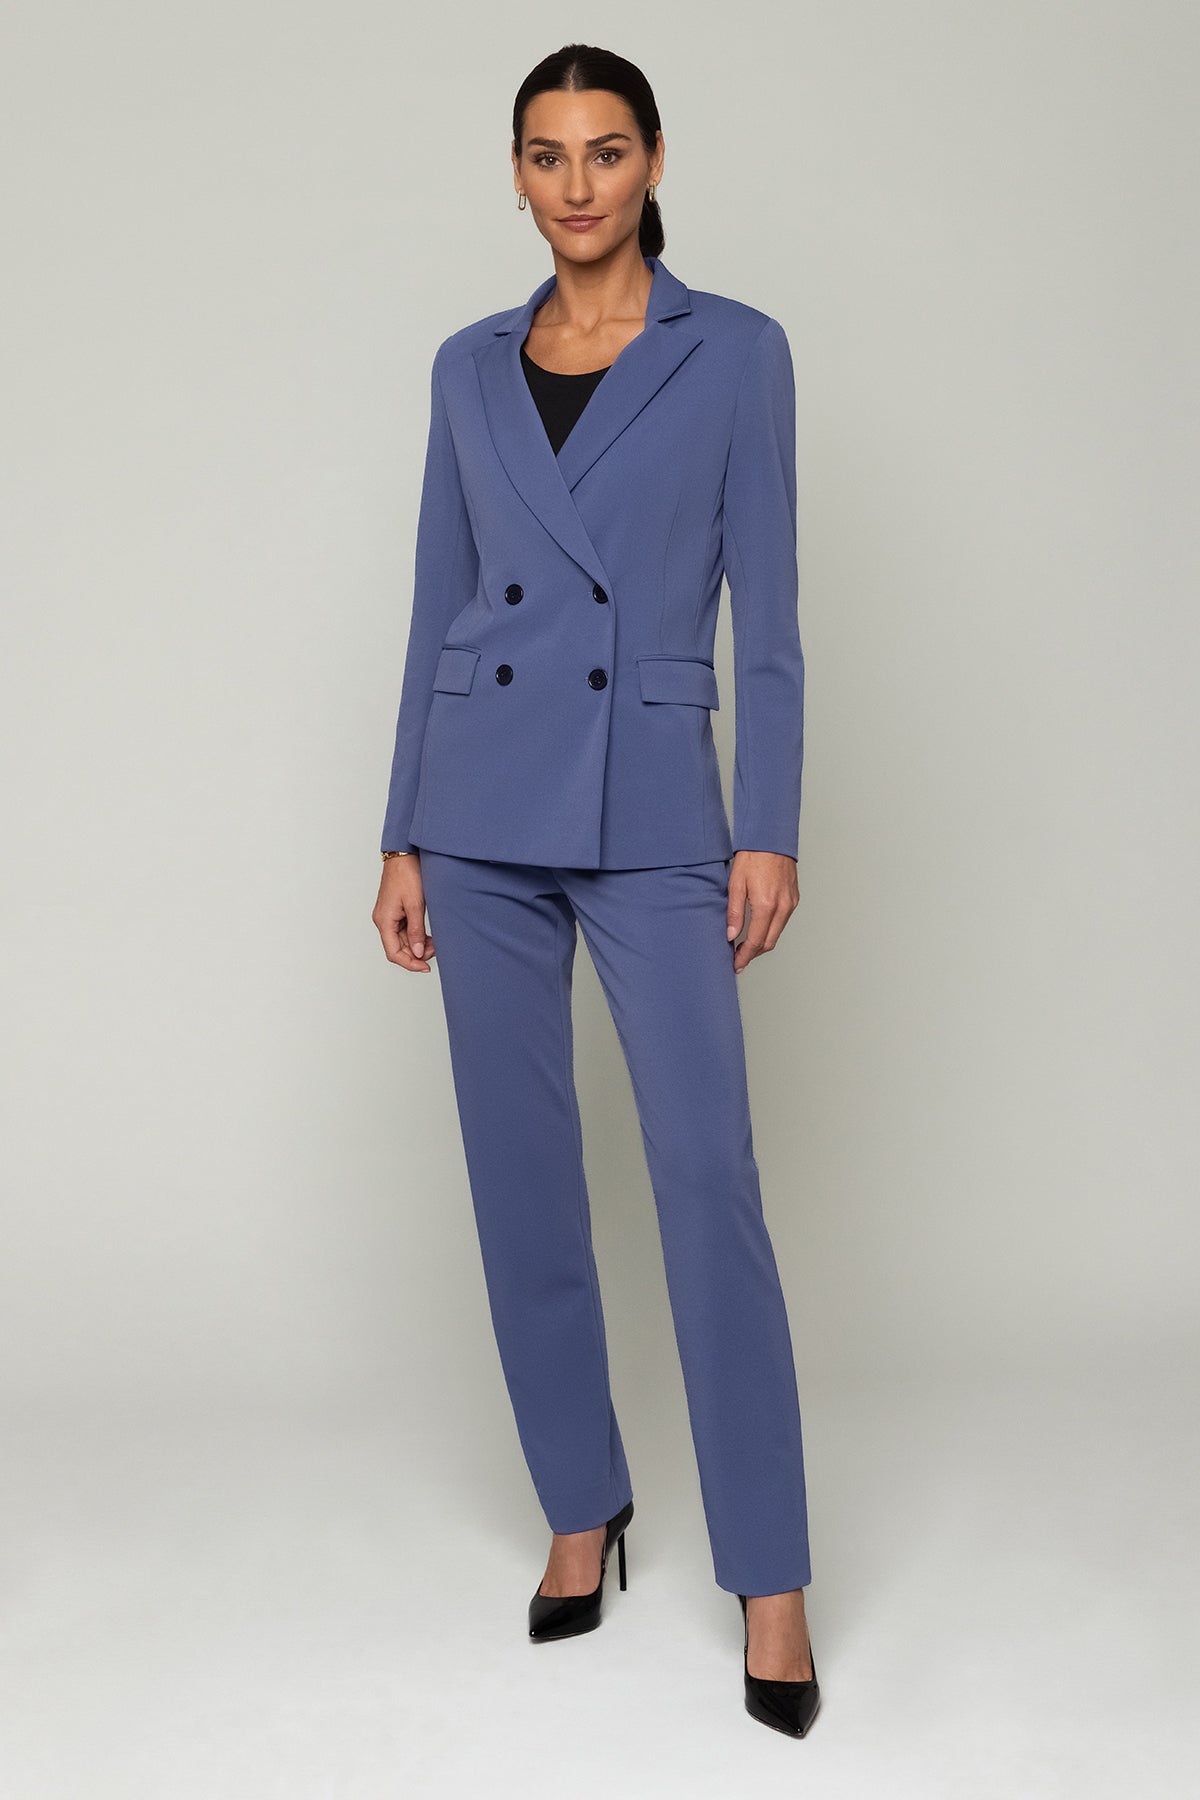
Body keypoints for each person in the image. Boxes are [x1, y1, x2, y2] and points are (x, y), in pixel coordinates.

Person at [372, 42, 820, 1738]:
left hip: (653, 804)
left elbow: (767, 612)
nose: (577, 184)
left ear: (653, 163)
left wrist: (764, 824)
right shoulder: (467, 366)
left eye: (606, 151)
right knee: (519, 1179)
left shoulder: (735, 351)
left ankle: (770, 1574)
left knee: (706, 1176)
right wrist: (403, 830)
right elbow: (438, 600)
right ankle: (583, 1500)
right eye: (548, 155)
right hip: (479, 804)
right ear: (515, 173)